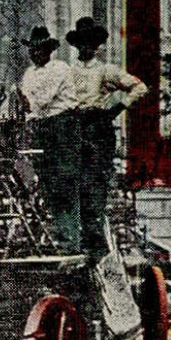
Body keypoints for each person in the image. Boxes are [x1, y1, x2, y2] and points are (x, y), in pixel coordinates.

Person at [66, 16, 147, 257]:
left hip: (97, 129)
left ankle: (96, 242)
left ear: (97, 45)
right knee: (76, 186)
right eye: (82, 43)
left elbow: (139, 87)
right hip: (74, 129)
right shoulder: (68, 71)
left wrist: (116, 108)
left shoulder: (105, 70)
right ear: (77, 45)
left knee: (94, 185)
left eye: (91, 43)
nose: (86, 47)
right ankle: (82, 241)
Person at [18, 25, 81, 254]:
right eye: (32, 50)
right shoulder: (29, 74)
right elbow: (26, 102)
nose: (35, 54)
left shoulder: (59, 69)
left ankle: (72, 238)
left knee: (64, 182)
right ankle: (60, 235)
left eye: (39, 49)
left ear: (48, 50)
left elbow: (41, 99)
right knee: (47, 182)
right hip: (43, 128)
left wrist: (26, 104)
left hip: (62, 126)